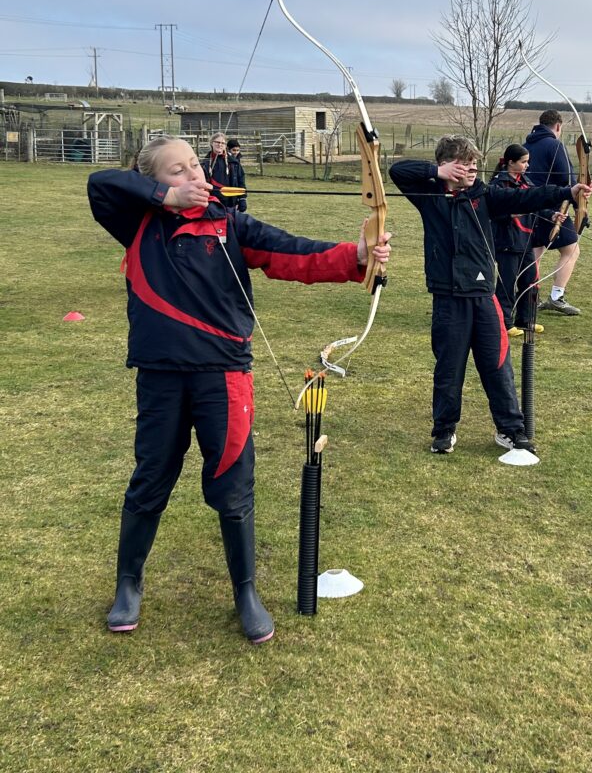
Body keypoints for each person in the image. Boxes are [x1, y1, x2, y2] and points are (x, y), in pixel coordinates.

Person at [87, 135, 391, 643]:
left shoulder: (231, 225)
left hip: (224, 376)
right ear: (152, 183)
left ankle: (246, 592)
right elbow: (101, 184)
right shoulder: (138, 222)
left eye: (196, 167)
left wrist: (357, 253)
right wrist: (166, 200)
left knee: (232, 486)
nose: (194, 177)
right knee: (150, 478)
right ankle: (128, 585)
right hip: (161, 375)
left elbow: (292, 254)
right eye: (176, 171)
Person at [390, 135, 592, 455]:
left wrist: (568, 192)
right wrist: (438, 172)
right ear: (447, 165)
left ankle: (510, 430)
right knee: (448, 368)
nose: (471, 170)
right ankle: (444, 430)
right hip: (448, 297)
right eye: (464, 165)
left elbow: (528, 198)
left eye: (473, 165)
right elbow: (398, 170)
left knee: (498, 367)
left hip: (485, 297)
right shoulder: (429, 195)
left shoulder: (485, 196)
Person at [489, 143, 556, 336]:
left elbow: (535, 201)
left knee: (530, 281)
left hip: (525, 241)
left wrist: (552, 216)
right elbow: (491, 212)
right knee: (507, 284)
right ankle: (505, 322)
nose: (527, 165)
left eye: (528, 162)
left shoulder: (525, 182)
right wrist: (510, 215)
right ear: (510, 162)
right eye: (523, 162)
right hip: (506, 241)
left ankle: (526, 320)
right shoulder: (498, 184)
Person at [524, 109, 582, 316]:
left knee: (536, 250)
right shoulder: (554, 145)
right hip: (552, 207)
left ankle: (528, 297)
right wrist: (579, 206)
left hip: (528, 205)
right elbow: (568, 179)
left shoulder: (526, 144)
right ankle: (556, 297)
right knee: (571, 250)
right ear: (558, 126)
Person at [201, 132, 246, 211]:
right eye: (217, 142)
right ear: (212, 143)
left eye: (223, 143)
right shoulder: (205, 163)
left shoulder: (233, 162)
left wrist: (242, 199)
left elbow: (240, 180)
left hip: (231, 201)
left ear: (225, 146)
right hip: (213, 202)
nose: (220, 145)